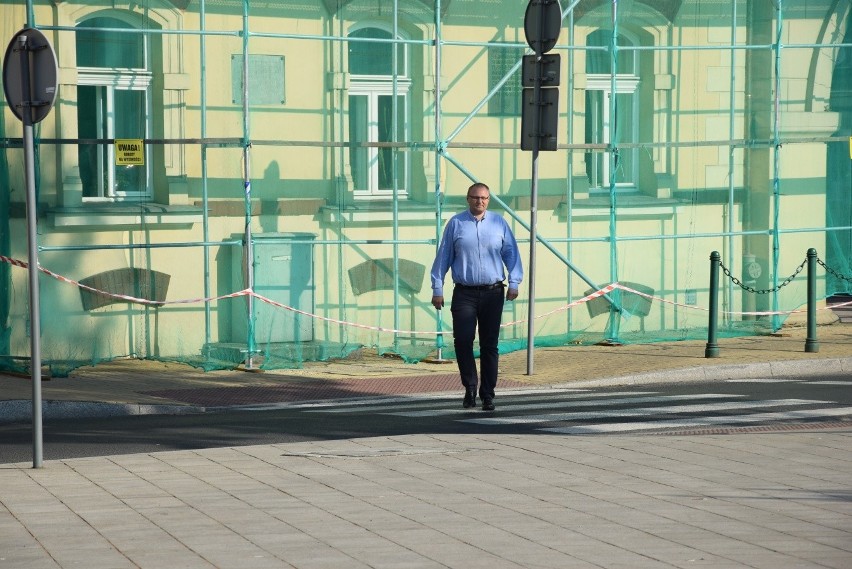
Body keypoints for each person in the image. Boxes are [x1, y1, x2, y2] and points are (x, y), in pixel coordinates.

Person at [430, 182, 523, 411]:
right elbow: (444, 256)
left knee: (489, 345)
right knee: (462, 341)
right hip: (464, 293)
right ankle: (470, 387)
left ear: (488, 200)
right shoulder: (456, 223)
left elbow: (511, 253)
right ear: (467, 198)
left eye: (484, 198)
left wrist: (514, 282)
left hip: (493, 292)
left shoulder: (498, 223)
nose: (479, 201)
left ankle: (488, 394)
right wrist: (437, 288)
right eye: (475, 197)